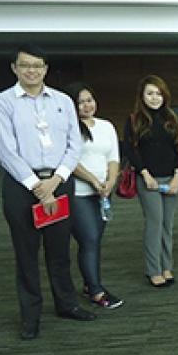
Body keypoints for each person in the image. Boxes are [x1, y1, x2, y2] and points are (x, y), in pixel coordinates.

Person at [0, 44, 95, 340]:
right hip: (21, 186)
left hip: (59, 182)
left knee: (60, 250)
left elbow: (75, 144)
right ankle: (30, 316)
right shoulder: (3, 103)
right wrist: (36, 186)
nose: (31, 70)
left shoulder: (62, 101)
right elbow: (6, 151)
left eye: (37, 65)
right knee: (26, 253)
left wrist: (56, 180)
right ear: (15, 68)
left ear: (46, 69)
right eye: (25, 65)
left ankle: (67, 304)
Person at [64, 82, 123, 309]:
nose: (86, 105)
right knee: (89, 239)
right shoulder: (69, 128)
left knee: (95, 240)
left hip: (103, 193)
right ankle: (96, 291)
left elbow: (113, 157)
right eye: (80, 102)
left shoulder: (106, 126)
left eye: (89, 100)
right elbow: (70, 162)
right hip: (79, 193)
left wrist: (110, 182)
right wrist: (93, 181)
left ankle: (91, 283)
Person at [125, 75, 178, 288]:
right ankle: (153, 269)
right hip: (148, 179)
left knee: (167, 225)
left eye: (158, 93)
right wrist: (145, 174)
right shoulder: (134, 120)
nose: (154, 97)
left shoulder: (172, 118)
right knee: (154, 224)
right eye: (150, 93)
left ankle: (167, 266)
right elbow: (131, 150)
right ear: (142, 96)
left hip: (171, 178)